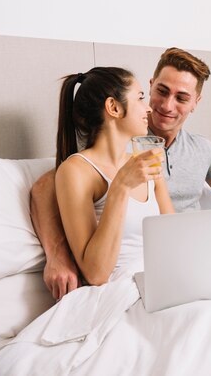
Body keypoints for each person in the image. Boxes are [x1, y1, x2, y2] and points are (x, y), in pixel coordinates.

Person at [31, 48, 211, 298]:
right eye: (159, 92)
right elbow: (47, 186)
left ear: (196, 102)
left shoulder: (192, 150)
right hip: (132, 280)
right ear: (150, 87)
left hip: (178, 265)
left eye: (182, 98)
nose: (163, 106)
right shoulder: (109, 147)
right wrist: (57, 253)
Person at [52, 67, 174, 286]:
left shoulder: (145, 163)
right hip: (121, 289)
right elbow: (95, 274)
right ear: (114, 107)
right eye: (140, 98)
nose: (148, 109)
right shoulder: (76, 171)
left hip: (163, 281)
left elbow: (176, 239)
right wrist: (120, 187)